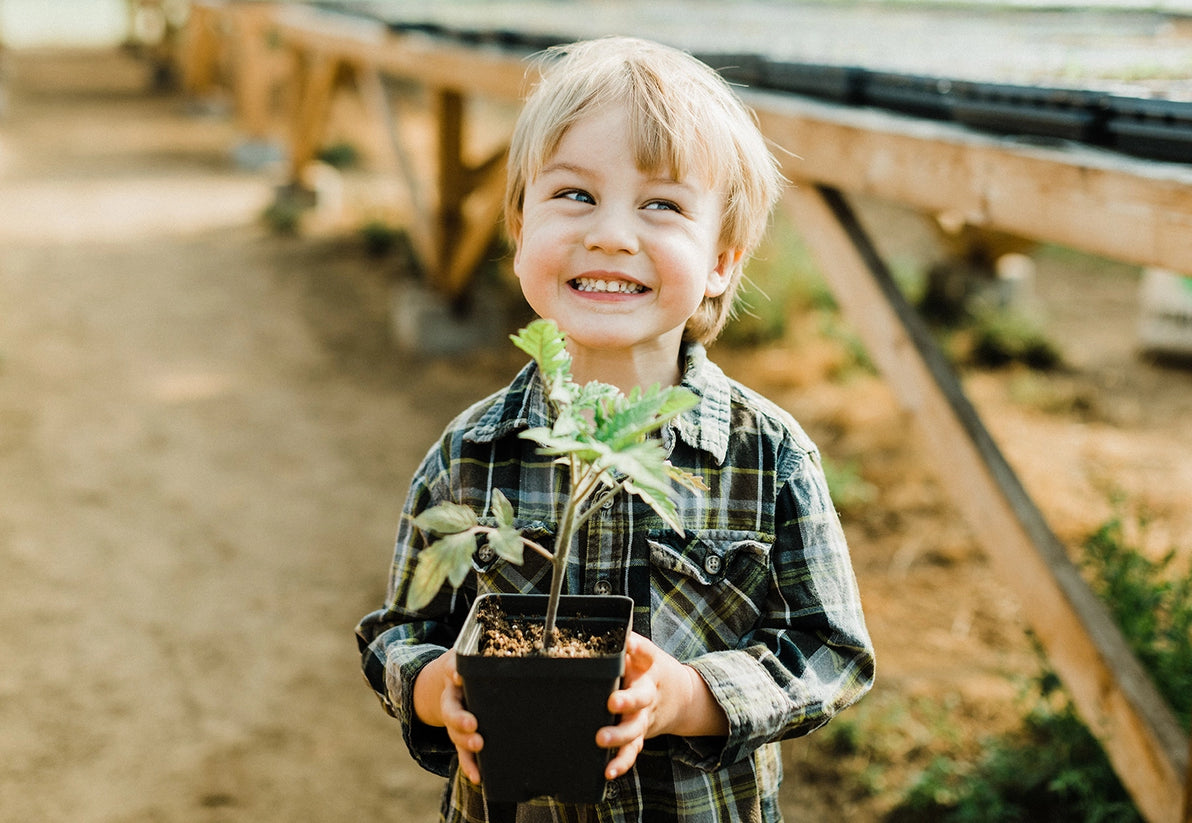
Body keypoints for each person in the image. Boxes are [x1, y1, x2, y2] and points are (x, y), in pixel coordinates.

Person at [356, 36, 875, 822]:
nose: (611, 234)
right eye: (574, 195)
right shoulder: (470, 451)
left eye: (662, 205)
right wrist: (437, 687)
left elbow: (832, 648)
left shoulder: (766, 457)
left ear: (722, 263)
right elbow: (398, 629)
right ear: (519, 226)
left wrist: (693, 696)